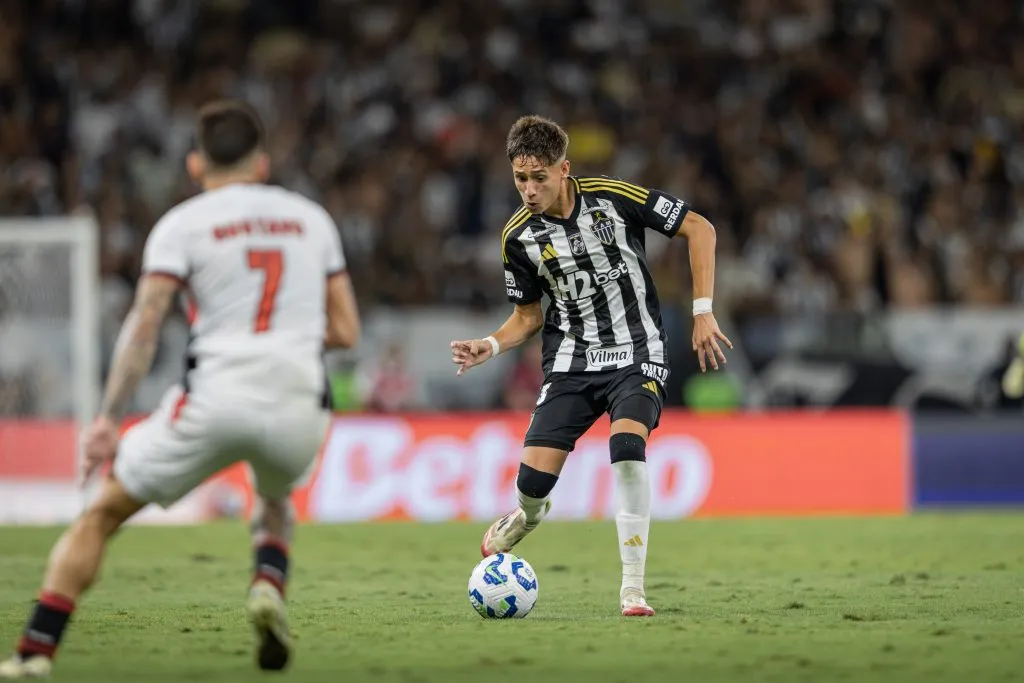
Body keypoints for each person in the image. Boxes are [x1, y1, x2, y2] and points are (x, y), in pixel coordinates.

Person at [0, 100, 361, 678]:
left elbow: (143, 330)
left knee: (101, 516)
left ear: (196, 165)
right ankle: (268, 583)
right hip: (300, 401)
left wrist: (106, 420)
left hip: (215, 396)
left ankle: (35, 651)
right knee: (273, 495)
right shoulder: (310, 218)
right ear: (262, 163)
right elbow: (346, 330)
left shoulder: (181, 225)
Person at [450, 115, 731, 617]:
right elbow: (528, 316)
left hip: (637, 352)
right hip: (571, 364)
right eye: (520, 179)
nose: (529, 190)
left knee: (627, 449)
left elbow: (699, 228)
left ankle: (632, 590)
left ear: (565, 169)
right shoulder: (517, 237)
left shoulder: (613, 198)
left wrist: (702, 310)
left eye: (539, 177)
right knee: (531, 487)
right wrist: (490, 346)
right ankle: (528, 516)